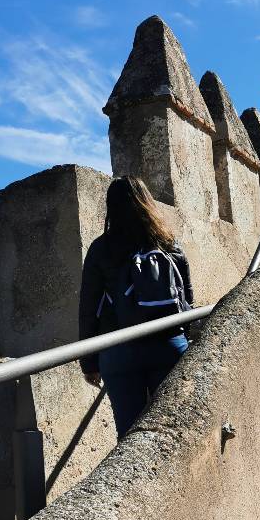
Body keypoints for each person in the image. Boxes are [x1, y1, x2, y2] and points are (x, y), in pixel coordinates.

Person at [78, 176, 194, 437]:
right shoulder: (168, 243)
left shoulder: (102, 248)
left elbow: (89, 308)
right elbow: (186, 297)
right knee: (174, 432)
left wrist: (89, 363)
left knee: (130, 435)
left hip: (120, 349)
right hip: (169, 344)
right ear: (147, 203)